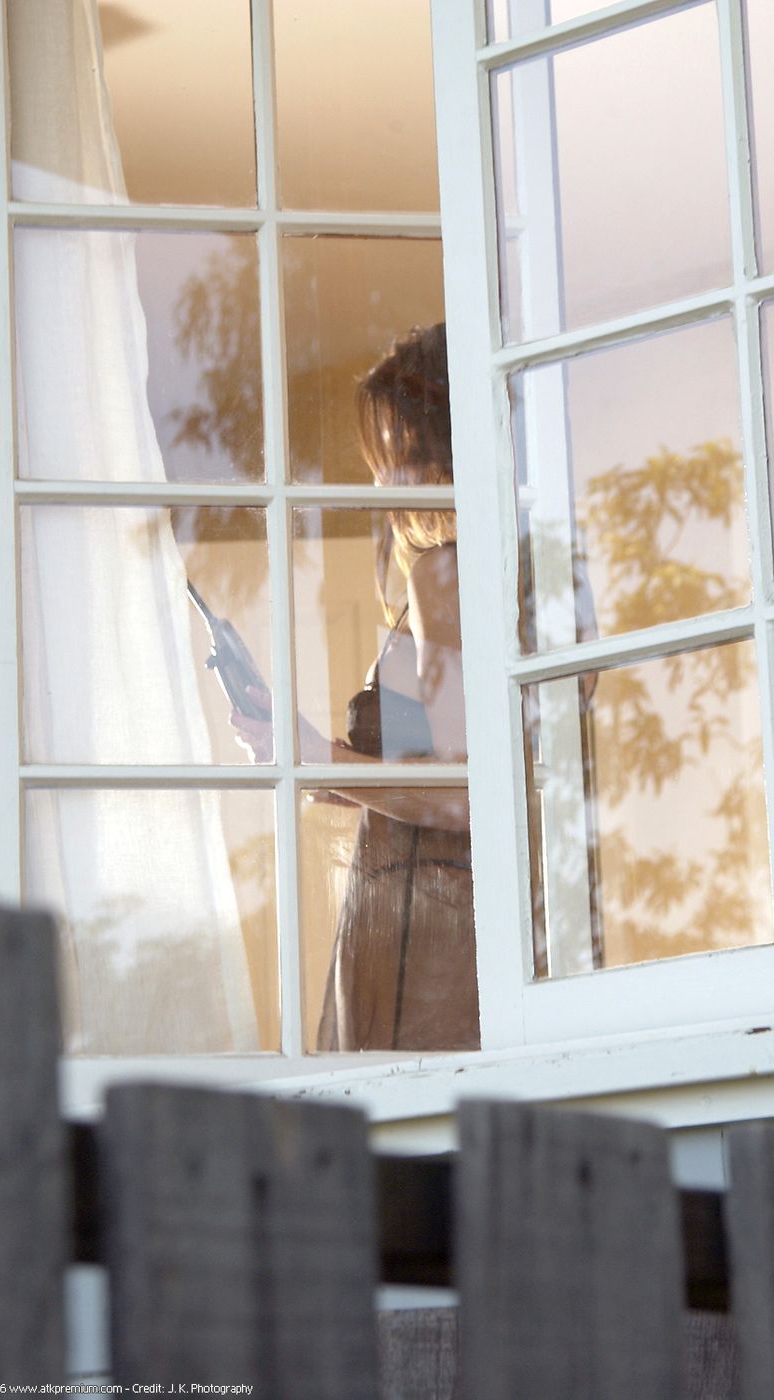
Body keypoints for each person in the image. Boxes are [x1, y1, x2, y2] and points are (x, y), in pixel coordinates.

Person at [233, 323, 480, 1052]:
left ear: (438, 457)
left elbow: (461, 796)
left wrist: (320, 757)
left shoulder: (444, 574)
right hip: (427, 919)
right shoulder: (477, 573)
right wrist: (325, 766)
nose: (379, 483)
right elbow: (436, 784)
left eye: (393, 455)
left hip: (429, 942)